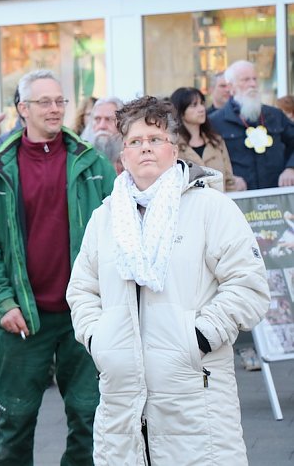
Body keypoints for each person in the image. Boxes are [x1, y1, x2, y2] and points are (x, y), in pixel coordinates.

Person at [67, 95, 270, 464]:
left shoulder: (211, 209)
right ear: (123, 154)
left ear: (174, 148)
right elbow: (82, 289)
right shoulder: (106, 217)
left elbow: (248, 285)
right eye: (135, 141)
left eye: (155, 139)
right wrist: (100, 339)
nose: (145, 148)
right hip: (122, 400)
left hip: (194, 393)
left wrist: (199, 337)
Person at [0, 69, 116, 465]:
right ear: (22, 109)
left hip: (84, 315)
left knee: (89, 417)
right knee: (15, 421)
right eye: (44, 102)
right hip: (23, 316)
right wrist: (3, 302)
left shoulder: (94, 164)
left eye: (60, 101)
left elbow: (119, 236)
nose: (54, 109)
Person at [209, 60, 294, 189]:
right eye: (246, 80)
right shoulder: (215, 121)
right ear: (231, 87)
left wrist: (291, 168)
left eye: (255, 79)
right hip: (240, 199)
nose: (253, 84)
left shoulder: (276, 115)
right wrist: (228, 179)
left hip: (277, 196)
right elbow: (208, 161)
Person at [170, 87, 239, 192]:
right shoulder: (173, 146)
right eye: (194, 105)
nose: (201, 109)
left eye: (202, 103)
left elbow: (229, 180)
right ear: (181, 111)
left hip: (219, 204)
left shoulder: (216, 141)